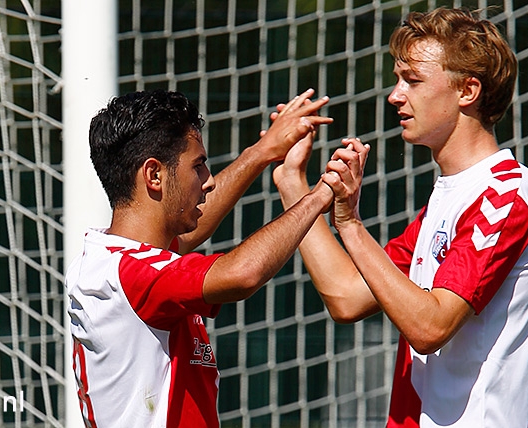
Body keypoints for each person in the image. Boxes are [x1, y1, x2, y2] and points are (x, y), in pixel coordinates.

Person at [273, 7, 528, 428]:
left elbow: (429, 325)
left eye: (413, 80)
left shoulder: (506, 195)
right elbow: (347, 296)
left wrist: (350, 223)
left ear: (468, 90)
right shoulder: (447, 199)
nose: (395, 95)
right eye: (397, 79)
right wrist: (291, 182)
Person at [65, 88, 336, 427]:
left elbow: (191, 228)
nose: (208, 183)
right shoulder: (134, 276)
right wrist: (322, 193)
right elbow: (242, 274)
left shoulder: (113, 259)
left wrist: (263, 152)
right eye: (198, 166)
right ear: (153, 175)